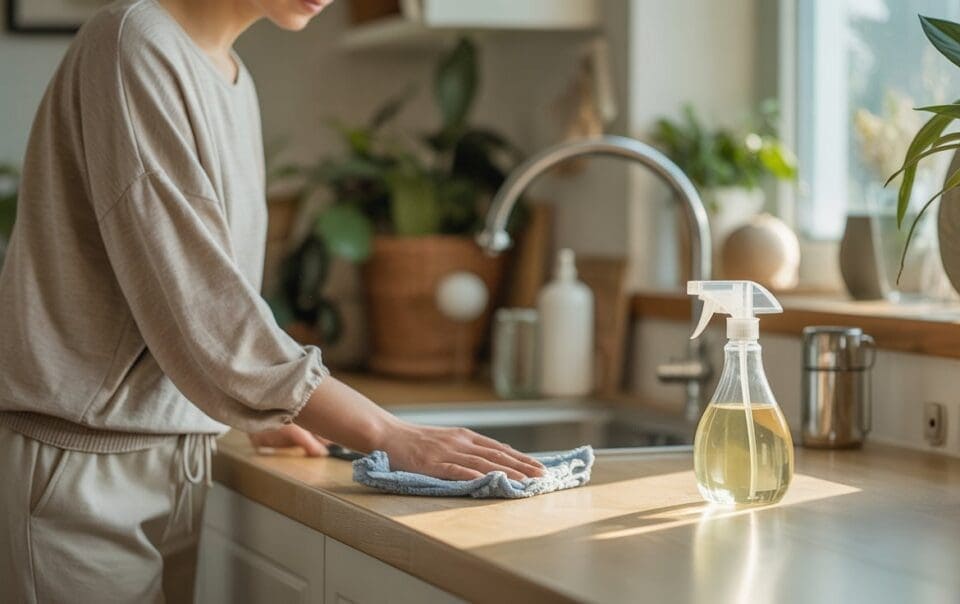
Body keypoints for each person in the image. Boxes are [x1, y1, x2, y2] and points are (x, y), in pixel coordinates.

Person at [0, 0, 544, 601]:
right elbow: (200, 303)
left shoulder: (233, 77)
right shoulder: (133, 40)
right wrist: (386, 431)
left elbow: (209, 297)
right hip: (80, 471)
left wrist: (247, 410)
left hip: (174, 457)